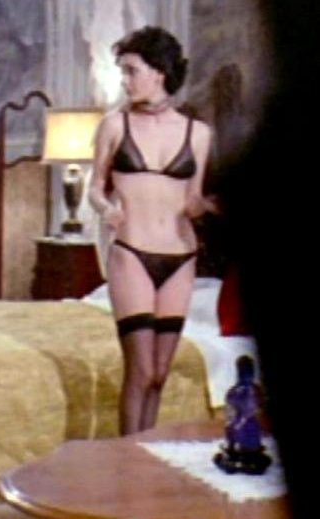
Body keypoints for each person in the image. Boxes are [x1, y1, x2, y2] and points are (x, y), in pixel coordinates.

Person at [87, 26, 214, 436]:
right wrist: (106, 208)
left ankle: (144, 454)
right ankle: (128, 459)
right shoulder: (114, 125)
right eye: (123, 71)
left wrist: (202, 207)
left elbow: (193, 197)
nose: (125, 81)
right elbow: (95, 187)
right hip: (132, 252)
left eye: (131, 71)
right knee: (140, 370)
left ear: (158, 71)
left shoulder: (199, 134)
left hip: (181, 257)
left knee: (159, 374)